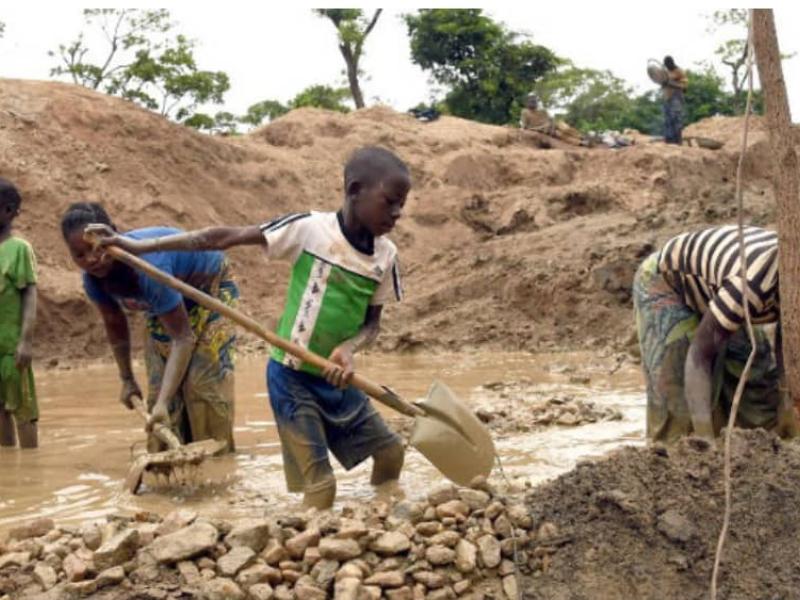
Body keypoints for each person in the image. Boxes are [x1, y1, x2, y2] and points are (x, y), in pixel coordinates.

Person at [89, 146, 408, 510]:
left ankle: (383, 512)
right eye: (390, 202)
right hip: (291, 379)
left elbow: (372, 325)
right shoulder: (310, 229)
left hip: (337, 378)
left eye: (401, 204)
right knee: (321, 488)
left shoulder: (387, 257)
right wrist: (138, 245)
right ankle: (308, 544)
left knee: (391, 454)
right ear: (354, 190)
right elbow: (222, 238)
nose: (397, 213)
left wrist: (350, 348)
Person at [60, 202, 238, 453]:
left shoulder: (148, 266)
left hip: (209, 291)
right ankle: (167, 465)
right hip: (164, 305)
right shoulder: (93, 281)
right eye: (79, 255)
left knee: (202, 387)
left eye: (95, 248)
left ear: (113, 234)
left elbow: (182, 338)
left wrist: (164, 402)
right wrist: (127, 380)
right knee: (159, 395)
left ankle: (218, 466)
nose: (91, 259)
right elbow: (115, 324)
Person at [633, 225, 799, 443]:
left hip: (724, 285)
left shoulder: (789, 286)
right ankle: (679, 453)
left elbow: (788, 342)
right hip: (669, 282)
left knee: (757, 383)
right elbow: (699, 355)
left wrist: (788, 404)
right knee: (677, 395)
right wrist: (704, 441)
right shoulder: (748, 287)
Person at [0, 178, 38, 449]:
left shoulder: (19, 249)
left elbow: (30, 295)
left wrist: (26, 340)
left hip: (11, 349)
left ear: (9, 211)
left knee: (23, 409)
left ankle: (30, 464)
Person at [519, 94, 584, 146]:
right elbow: (525, 127)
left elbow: (551, 119)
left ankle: (581, 137)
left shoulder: (542, 111)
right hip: (545, 130)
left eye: (534, 101)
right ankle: (580, 143)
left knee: (565, 128)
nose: (533, 102)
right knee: (560, 135)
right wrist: (540, 129)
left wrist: (551, 125)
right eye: (531, 101)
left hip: (552, 125)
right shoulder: (525, 112)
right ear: (527, 102)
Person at [661, 56, 688, 145]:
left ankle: (677, 141)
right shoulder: (666, 73)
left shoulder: (679, 71)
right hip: (667, 98)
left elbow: (684, 86)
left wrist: (671, 83)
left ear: (672, 63)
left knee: (676, 119)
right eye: (666, 65)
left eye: (668, 64)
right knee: (667, 120)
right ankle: (669, 141)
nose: (667, 66)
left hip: (676, 98)